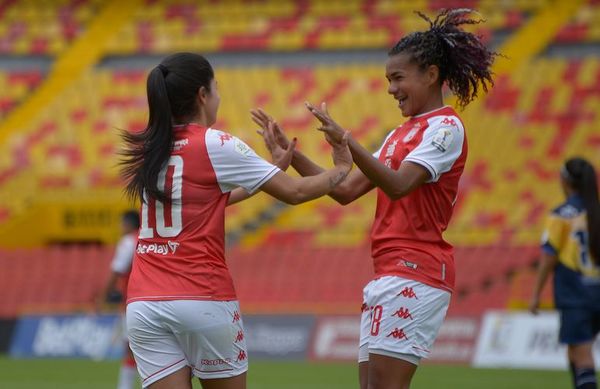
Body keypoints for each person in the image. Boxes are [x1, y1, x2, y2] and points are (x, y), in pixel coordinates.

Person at [251, 9, 497, 389]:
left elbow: (399, 185)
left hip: (416, 269)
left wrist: (347, 140)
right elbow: (346, 190)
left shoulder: (446, 128)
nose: (390, 89)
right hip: (389, 271)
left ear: (431, 75)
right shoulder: (401, 133)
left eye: (398, 78)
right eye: (387, 79)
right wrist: (292, 153)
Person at [119, 52, 352, 389]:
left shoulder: (150, 148)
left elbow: (211, 200)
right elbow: (296, 193)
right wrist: (342, 169)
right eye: (216, 89)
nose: (218, 97)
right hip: (202, 297)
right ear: (202, 95)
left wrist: (272, 172)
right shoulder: (216, 143)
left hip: (144, 304)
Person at [530, 158, 600, 389]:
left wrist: (536, 293)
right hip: (595, 291)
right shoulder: (595, 213)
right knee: (575, 352)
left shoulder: (561, 215)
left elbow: (549, 256)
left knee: (582, 354)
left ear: (565, 181)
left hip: (576, 295)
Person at [98, 210, 140, 389]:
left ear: (129, 224)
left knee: (131, 349)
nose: (120, 227)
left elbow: (117, 270)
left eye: (122, 223)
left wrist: (103, 296)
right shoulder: (148, 237)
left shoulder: (128, 241)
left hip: (133, 302)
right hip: (155, 298)